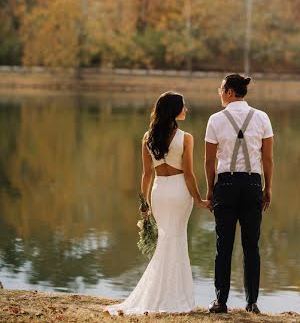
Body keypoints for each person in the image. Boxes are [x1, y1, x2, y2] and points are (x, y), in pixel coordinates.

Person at [104, 91, 209, 316]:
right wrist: (199, 199)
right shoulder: (186, 138)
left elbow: (146, 174)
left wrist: (144, 203)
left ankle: (161, 293)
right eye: (183, 106)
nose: (186, 110)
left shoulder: (147, 137)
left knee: (166, 241)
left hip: (159, 192)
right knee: (177, 239)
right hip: (180, 191)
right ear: (174, 110)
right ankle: (176, 297)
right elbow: (189, 174)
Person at [205, 74, 274, 314]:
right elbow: (267, 158)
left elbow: (209, 160)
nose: (219, 92)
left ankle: (220, 302)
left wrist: (210, 189)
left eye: (221, 88)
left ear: (231, 91)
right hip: (253, 185)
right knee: (251, 246)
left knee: (223, 246)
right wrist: (268, 187)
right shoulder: (262, 117)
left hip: (225, 184)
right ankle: (252, 303)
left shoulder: (215, 119)